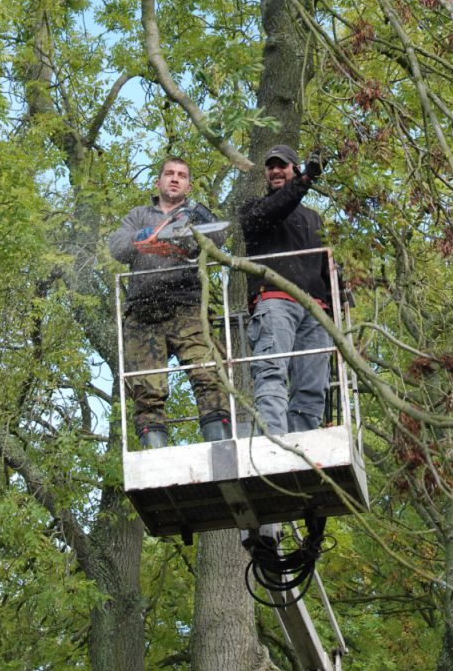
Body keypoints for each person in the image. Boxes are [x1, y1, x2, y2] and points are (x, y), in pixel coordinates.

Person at [109, 157, 231, 448]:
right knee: (146, 389)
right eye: (169, 174)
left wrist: (193, 228)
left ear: (188, 185)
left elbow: (220, 236)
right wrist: (144, 238)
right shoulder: (139, 215)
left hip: (188, 309)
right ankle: (155, 454)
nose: (175, 179)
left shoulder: (195, 215)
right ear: (158, 181)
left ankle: (221, 448)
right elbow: (117, 246)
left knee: (208, 375)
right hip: (143, 314)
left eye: (181, 175)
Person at [238, 144, 332, 436]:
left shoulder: (314, 219)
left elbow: (327, 269)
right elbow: (273, 210)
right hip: (274, 301)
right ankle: (274, 442)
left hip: (316, 309)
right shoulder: (254, 209)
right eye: (271, 166)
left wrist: (337, 319)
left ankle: (303, 444)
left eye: (283, 165)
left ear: (294, 168)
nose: (276, 171)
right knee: (271, 373)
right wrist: (305, 181)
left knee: (313, 385)